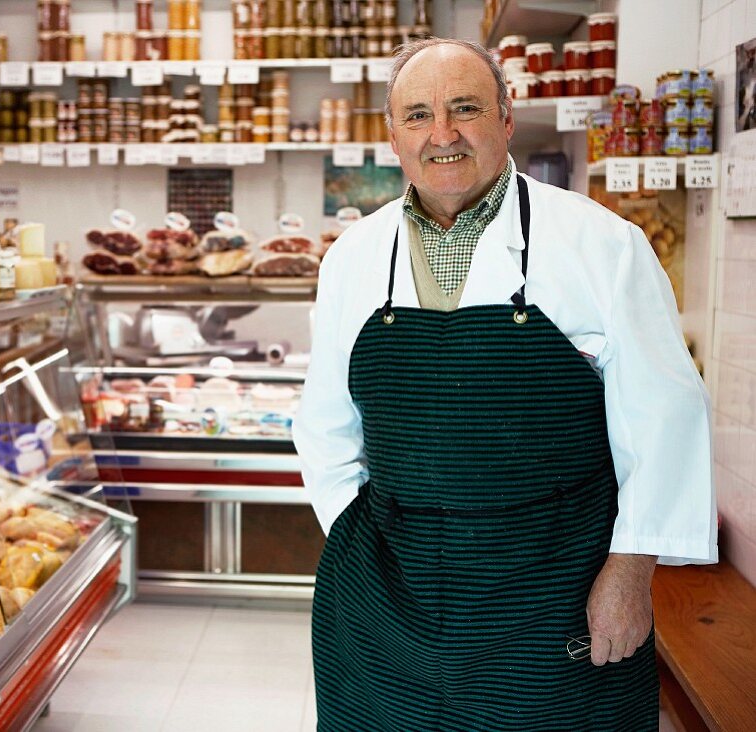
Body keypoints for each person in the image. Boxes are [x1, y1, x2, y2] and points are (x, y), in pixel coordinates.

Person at [294, 38, 716, 731]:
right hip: (385, 604)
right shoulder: (353, 258)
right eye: (418, 115)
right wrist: (357, 549)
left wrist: (631, 573)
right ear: (391, 134)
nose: (443, 135)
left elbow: (664, 416)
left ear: (506, 117)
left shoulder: (601, 244)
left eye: (465, 108)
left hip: (553, 592)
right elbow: (323, 427)